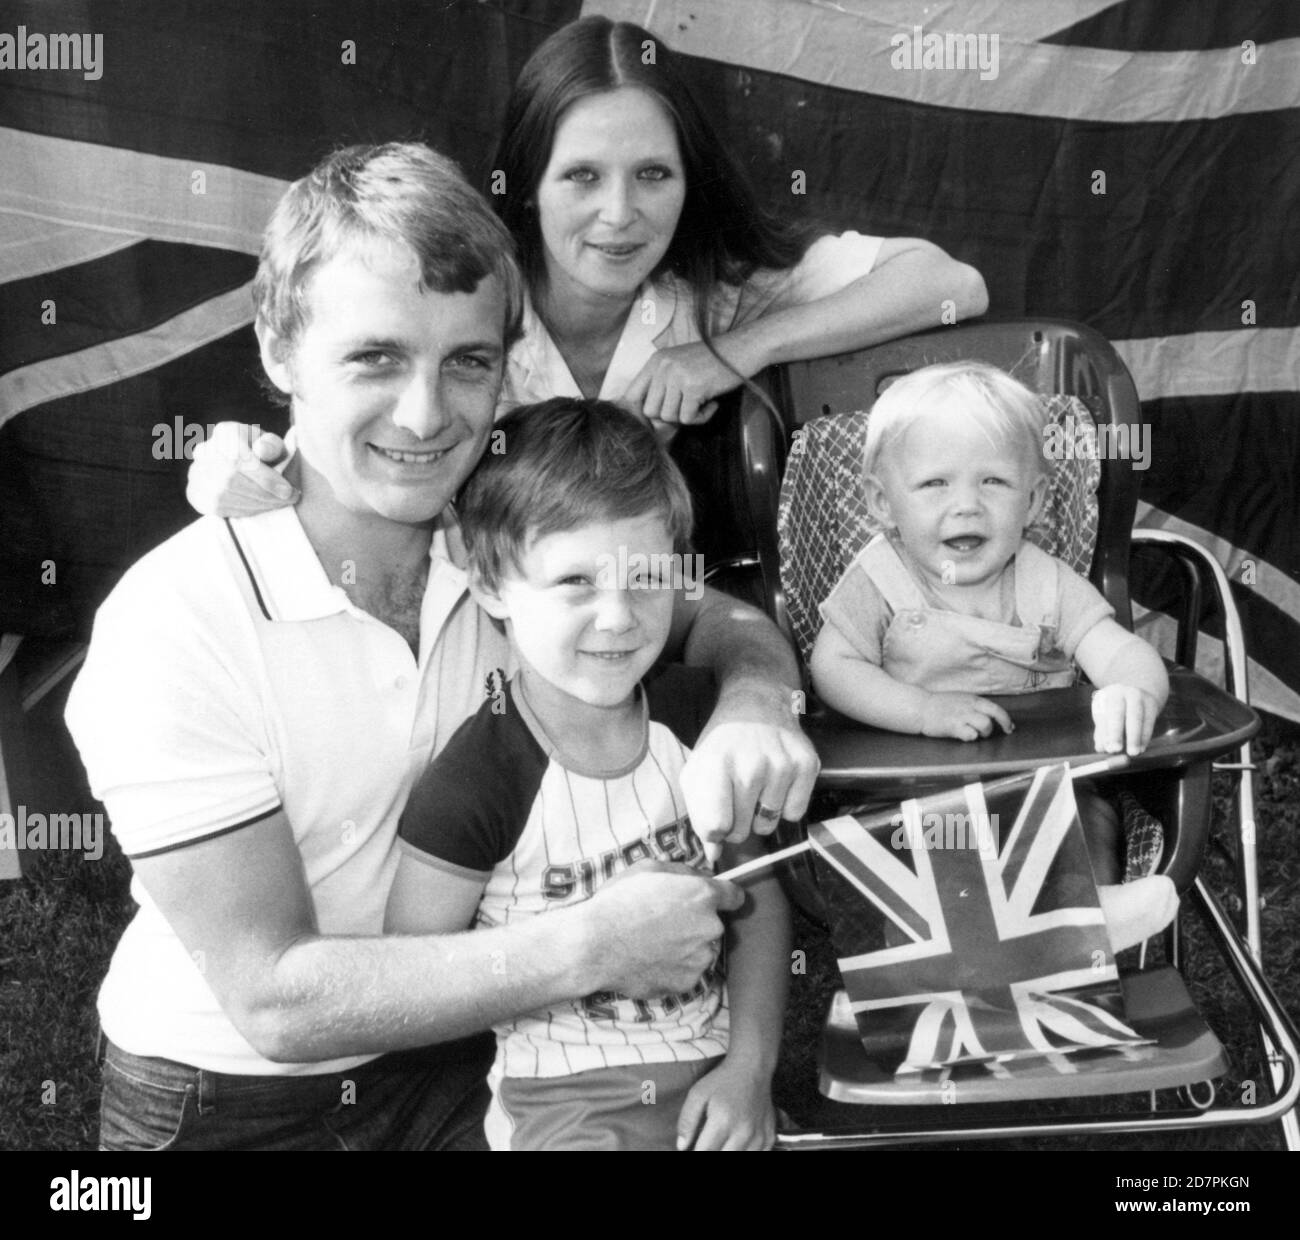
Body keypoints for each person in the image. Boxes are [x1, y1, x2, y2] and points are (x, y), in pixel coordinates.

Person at [65, 142, 817, 1151]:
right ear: (279, 351)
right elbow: (278, 998)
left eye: (466, 361)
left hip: (477, 1053)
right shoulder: (172, 621)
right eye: (375, 357)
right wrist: (589, 945)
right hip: (237, 1099)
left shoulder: (500, 549)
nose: (426, 415)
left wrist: (754, 704)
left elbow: (714, 618)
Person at [188, 14, 987, 513]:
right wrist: (242, 467)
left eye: (652, 174)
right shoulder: (464, 295)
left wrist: (736, 350)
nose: (619, 214)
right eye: (581, 176)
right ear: (527, 184)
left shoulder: (708, 292)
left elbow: (953, 285)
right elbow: (359, 422)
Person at [388, 398, 790, 1151]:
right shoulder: (477, 781)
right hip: (566, 1104)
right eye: (576, 581)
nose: (618, 616)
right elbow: (414, 977)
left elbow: (758, 899)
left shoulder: (700, 725)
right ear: (490, 589)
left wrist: (751, 1068)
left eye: (645, 577)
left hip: (715, 1075)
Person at [807, 361, 1177, 945]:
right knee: (917, 844)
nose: (967, 506)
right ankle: (974, 941)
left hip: (1040, 787)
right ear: (881, 501)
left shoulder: (1046, 584)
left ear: (1033, 501)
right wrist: (923, 709)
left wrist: (1132, 690)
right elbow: (833, 669)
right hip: (911, 791)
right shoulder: (878, 580)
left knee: (1085, 815)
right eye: (935, 484)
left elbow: (1124, 652)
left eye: (994, 482)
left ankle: (1082, 918)